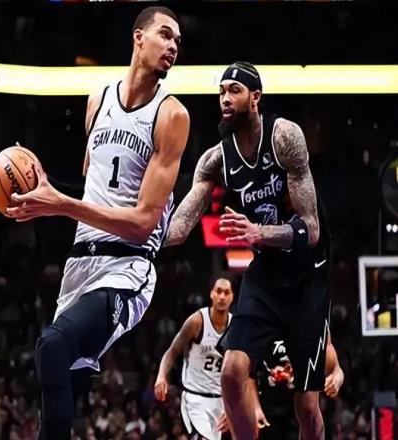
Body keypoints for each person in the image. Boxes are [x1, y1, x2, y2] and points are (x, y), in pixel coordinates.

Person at [7, 7, 189, 440]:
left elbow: (142, 223)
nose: (173, 46)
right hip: (80, 265)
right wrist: (44, 191)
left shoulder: (172, 116)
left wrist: (60, 204)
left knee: (52, 346)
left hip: (128, 267)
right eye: (165, 35)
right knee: (58, 385)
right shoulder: (98, 100)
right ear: (138, 37)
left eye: (178, 41)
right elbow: (92, 188)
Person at [165, 61, 330, 439]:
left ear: (256, 98)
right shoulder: (215, 159)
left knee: (307, 406)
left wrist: (258, 232)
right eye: (221, 91)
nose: (225, 98)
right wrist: (136, 233)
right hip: (266, 275)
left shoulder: (284, 137)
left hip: (307, 278)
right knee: (231, 371)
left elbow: (311, 230)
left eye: (234, 91)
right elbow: (180, 227)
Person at [154, 276, 234, 440]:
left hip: (221, 400)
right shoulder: (197, 321)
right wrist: (161, 376)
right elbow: (172, 352)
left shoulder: (236, 326)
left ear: (232, 296)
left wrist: (233, 405)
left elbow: (239, 371)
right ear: (211, 294)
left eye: (226, 292)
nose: (222, 297)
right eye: (218, 291)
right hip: (195, 398)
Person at [255, 335, 344, 439]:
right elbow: (248, 372)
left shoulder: (315, 326)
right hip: (267, 410)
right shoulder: (262, 327)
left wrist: (336, 377)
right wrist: (255, 405)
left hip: (302, 411)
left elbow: (336, 369)